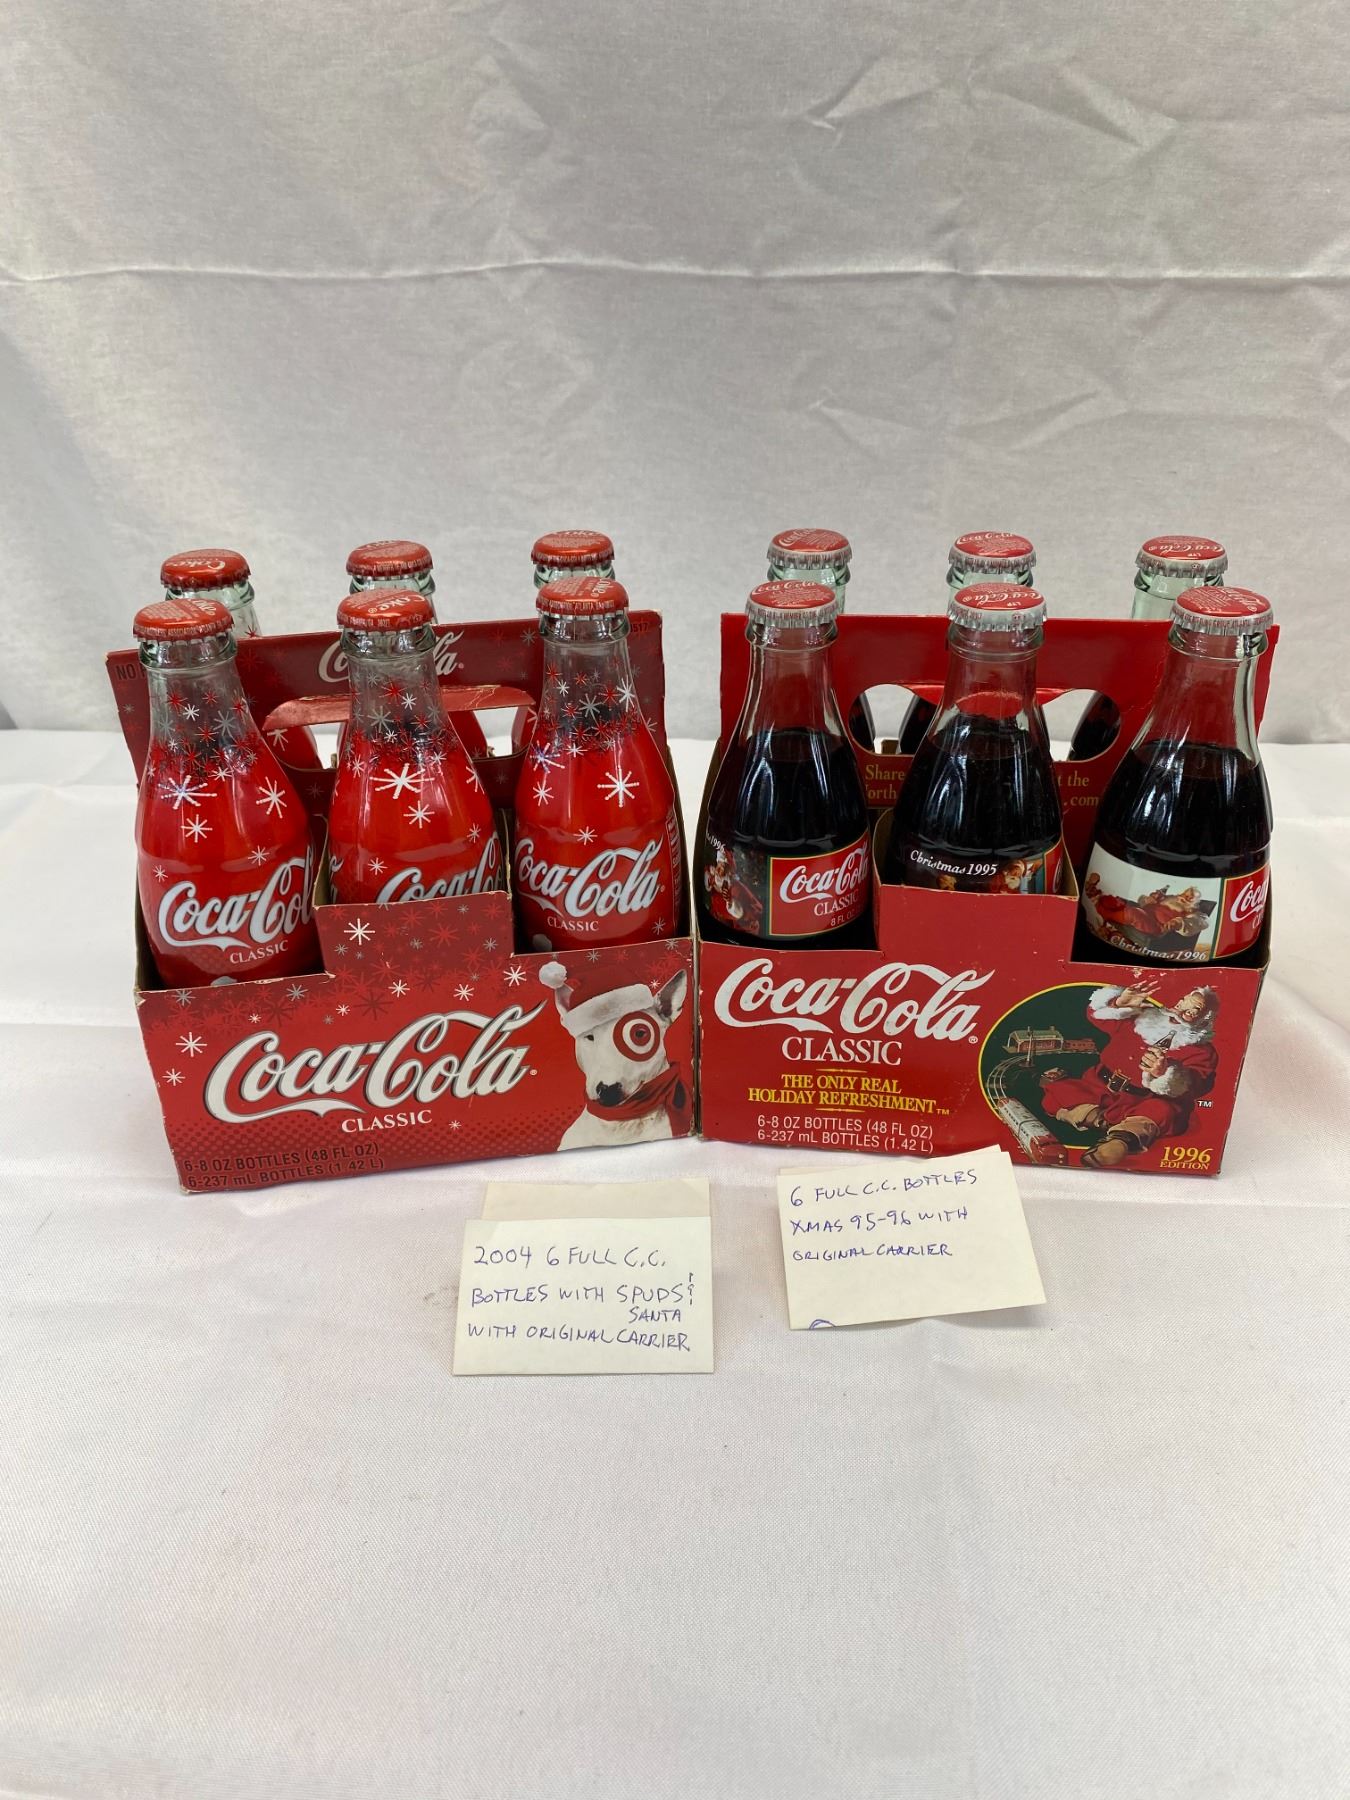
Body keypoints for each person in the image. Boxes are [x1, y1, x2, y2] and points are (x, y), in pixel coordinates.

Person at [1040, 983, 1219, 1168]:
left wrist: (1165, 1073)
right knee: (1060, 1093)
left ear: (1205, 1019)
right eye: (1183, 1001)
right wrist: (1118, 1004)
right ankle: (1098, 1120)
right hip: (1099, 1085)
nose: (1183, 1009)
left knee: (1162, 1112)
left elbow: (1198, 1084)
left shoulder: (1201, 1050)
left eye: (1194, 1009)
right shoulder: (1140, 1019)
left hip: (1143, 1099)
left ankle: (1121, 1141)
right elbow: (1097, 1017)